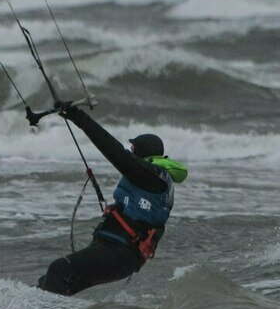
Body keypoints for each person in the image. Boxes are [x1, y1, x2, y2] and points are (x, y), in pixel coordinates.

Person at [37, 103, 187, 296]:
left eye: (133, 150)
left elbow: (113, 150)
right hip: (114, 251)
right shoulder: (151, 177)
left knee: (59, 270)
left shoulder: (151, 176)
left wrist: (78, 117)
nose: (130, 152)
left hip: (120, 254)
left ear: (141, 154)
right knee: (51, 283)